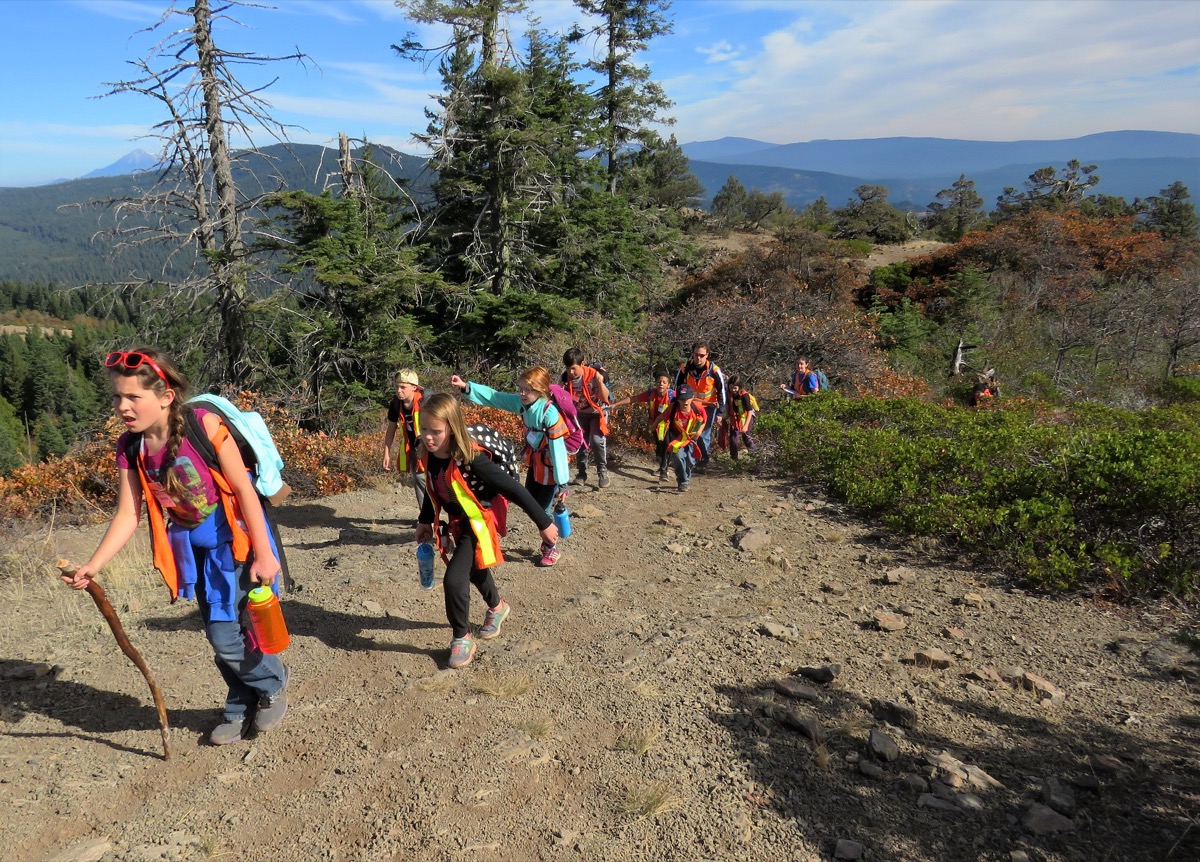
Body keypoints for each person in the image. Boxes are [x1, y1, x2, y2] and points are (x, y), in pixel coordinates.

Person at [60, 347, 288, 746]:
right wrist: (93, 565)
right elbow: (128, 514)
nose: (122, 407)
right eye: (117, 397)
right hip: (194, 556)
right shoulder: (131, 448)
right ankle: (240, 700)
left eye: (133, 397)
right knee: (219, 632)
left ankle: (271, 681)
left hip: (235, 548)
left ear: (165, 396)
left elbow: (243, 491)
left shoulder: (204, 424)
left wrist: (265, 554)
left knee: (227, 634)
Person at [414, 393, 558, 669]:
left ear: (452, 427)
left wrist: (544, 523)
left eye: (436, 431)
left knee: (454, 579)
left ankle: (461, 636)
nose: (428, 437)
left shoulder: (472, 459)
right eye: (424, 429)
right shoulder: (430, 455)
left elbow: (513, 489)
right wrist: (424, 520)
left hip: (479, 521)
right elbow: (435, 492)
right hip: (458, 520)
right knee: (474, 568)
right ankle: (498, 607)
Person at [451, 367, 570, 567]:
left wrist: (563, 483)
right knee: (531, 503)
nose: (522, 393)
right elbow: (496, 397)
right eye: (520, 389)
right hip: (535, 464)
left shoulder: (550, 414)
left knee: (543, 508)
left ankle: (551, 547)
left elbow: (558, 451)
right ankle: (548, 540)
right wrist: (466, 387)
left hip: (551, 468)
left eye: (527, 390)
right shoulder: (523, 405)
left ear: (540, 390)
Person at [610, 366, 674, 482]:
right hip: (654, 424)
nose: (661, 384)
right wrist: (616, 404)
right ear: (655, 383)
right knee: (659, 446)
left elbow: (687, 400)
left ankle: (664, 471)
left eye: (664, 382)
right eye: (659, 382)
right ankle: (662, 466)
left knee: (666, 444)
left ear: (668, 385)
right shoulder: (650, 394)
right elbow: (634, 399)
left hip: (667, 424)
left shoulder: (672, 396)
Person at [562, 348, 612, 489]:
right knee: (580, 442)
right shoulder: (565, 378)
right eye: (568, 368)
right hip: (579, 414)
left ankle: (602, 472)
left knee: (597, 441)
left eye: (573, 368)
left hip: (596, 412)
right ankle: (581, 473)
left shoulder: (593, 375)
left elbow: (604, 397)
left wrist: (600, 382)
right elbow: (559, 395)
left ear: (582, 363)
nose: (571, 372)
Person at [673, 341, 726, 474]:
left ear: (707, 355)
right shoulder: (685, 368)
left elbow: (722, 392)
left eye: (702, 355)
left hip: (708, 406)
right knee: (688, 431)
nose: (699, 357)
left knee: (703, 434)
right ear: (692, 354)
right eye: (696, 354)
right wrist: (677, 403)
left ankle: (703, 461)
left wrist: (720, 412)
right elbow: (676, 388)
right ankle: (690, 459)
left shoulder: (714, 371)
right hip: (689, 405)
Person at [382, 368, 425, 512]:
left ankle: (437, 517)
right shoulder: (396, 404)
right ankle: (426, 517)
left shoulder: (426, 401)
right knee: (419, 479)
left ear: (414, 387)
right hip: (412, 447)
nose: (398, 390)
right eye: (396, 386)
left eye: (403, 387)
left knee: (423, 478)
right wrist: (386, 453)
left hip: (431, 446)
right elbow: (391, 429)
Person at [659, 384, 707, 493]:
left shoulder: (697, 407)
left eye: (688, 399)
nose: (685, 402)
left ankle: (686, 477)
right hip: (677, 436)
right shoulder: (673, 407)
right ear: (678, 399)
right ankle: (683, 481)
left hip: (692, 437)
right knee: (677, 456)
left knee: (690, 460)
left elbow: (704, 420)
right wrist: (653, 426)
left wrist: (699, 431)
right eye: (682, 399)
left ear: (692, 398)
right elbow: (662, 416)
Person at [724, 375, 758, 460]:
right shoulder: (728, 394)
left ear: (739, 387)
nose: (733, 390)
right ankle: (734, 459)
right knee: (733, 438)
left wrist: (746, 426)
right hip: (735, 418)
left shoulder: (744, 396)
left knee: (746, 437)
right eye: (731, 388)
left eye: (735, 388)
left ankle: (754, 455)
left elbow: (750, 411)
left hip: (746, 417)